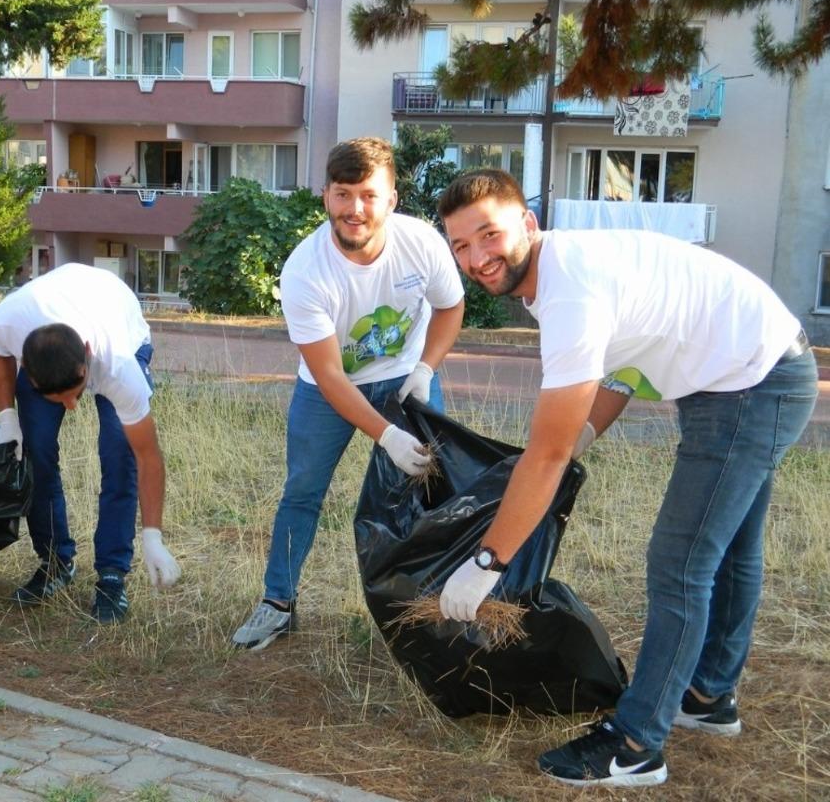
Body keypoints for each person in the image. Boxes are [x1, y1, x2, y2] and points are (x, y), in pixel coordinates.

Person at [436, 169, 817, 787]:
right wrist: (586, 435)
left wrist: (487, 563)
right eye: (460, 245)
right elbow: (622, 365)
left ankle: (636, 745)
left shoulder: (568, 290)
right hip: (746, 374)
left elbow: (545, 455)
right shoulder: (564, 267)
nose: (478, 257)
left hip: (751, 385)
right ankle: (707, 698)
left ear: (527, 225)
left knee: (680, 562)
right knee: (731, 548)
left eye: (489, 235)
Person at [231, 137, 466, 650]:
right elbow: (332, 376)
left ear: (392, 199)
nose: (355, 209)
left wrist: (426, 368)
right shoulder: (305, 270)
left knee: (431, 491)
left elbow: (450, 308)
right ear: (326, 198)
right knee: (302, 492)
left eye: (368, 195)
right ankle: (278, 602)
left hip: (407, 377)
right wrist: (387, 437)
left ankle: (430, 610)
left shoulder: (421, 243)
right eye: (343, 194)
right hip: (329, 390)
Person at [0, 263, 181, 624]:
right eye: (58, 399)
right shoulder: (8, 322)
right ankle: (56, 562)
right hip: (50, 320)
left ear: (87, 356)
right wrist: (7, 419)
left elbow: (147, 455)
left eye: (74, 394)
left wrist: (153, 535)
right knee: (35, 452)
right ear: (27, 366)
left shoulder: (118, 366)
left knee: (118, 457)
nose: (72, 407)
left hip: (115, 316)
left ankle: (111, 576)